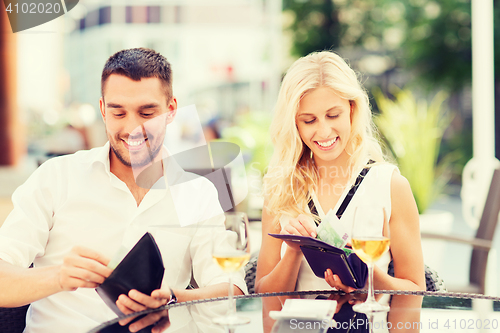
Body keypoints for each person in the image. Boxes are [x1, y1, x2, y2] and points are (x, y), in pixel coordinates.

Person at [0, 48, 246, 333]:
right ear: (103, 110)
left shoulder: (197, 192)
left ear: (171, 111)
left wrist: (175, 300)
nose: (133, 128)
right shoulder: (56, 178)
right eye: (118, 112)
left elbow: (232, 290)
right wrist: (56, 277)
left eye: (147, 112)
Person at [255, 51, 425, 330]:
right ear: (294, 123)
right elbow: (267, 301)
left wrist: (365, 278)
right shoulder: (279, 186)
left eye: (333, 115)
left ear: (352, 110)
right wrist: (296, 252)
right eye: (308, 121)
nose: (323, 132)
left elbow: (413, 295)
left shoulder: (390, 185)